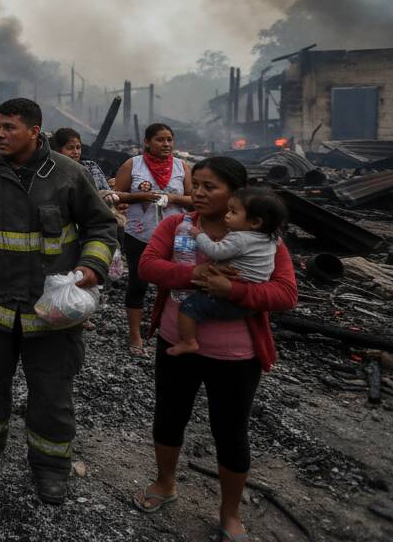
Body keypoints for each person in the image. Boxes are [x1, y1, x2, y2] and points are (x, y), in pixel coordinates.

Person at [0, 98, 118, 504]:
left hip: (51, 311)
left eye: (9, 127)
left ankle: (50, 465)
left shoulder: (69, 175)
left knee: (51, 391)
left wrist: (92, 266)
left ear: (34, 132)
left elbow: (101, 227)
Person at [133, 158, 297, 541]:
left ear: (235, 195)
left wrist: (234, 291)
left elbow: (286, 293)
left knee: (231, 430)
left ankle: (230, 514)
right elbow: (148, 266)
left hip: (236, 356)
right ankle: (165, 483)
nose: (199, 193)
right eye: (197, 185)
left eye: (211, 187)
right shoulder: (177, 225)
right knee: (170, 416)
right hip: (177, 343)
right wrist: (194, 274)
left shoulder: (265, 239)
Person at [168, 187, 287, 356]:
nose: (227, 215)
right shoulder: (271, 239)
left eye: (233, 212)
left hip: (230, 297)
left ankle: (189, 341)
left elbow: (216, 251)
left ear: (255, 223)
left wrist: (198, 235)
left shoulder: (239, 238)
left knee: (189, 307)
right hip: (252, 301)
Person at [113, 123, 193, 356]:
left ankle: (174, 331)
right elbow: (117, 196)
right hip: (140, 233)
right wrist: (141, 196)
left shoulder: (181, 166)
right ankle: (135, 335)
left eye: (169, 140)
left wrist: (172, 198)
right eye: (160, 140)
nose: (166, 144)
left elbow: (193, 200)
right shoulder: (133, 164)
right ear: (147, 142)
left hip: (178, 235)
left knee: (177, 283)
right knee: (138, 282)